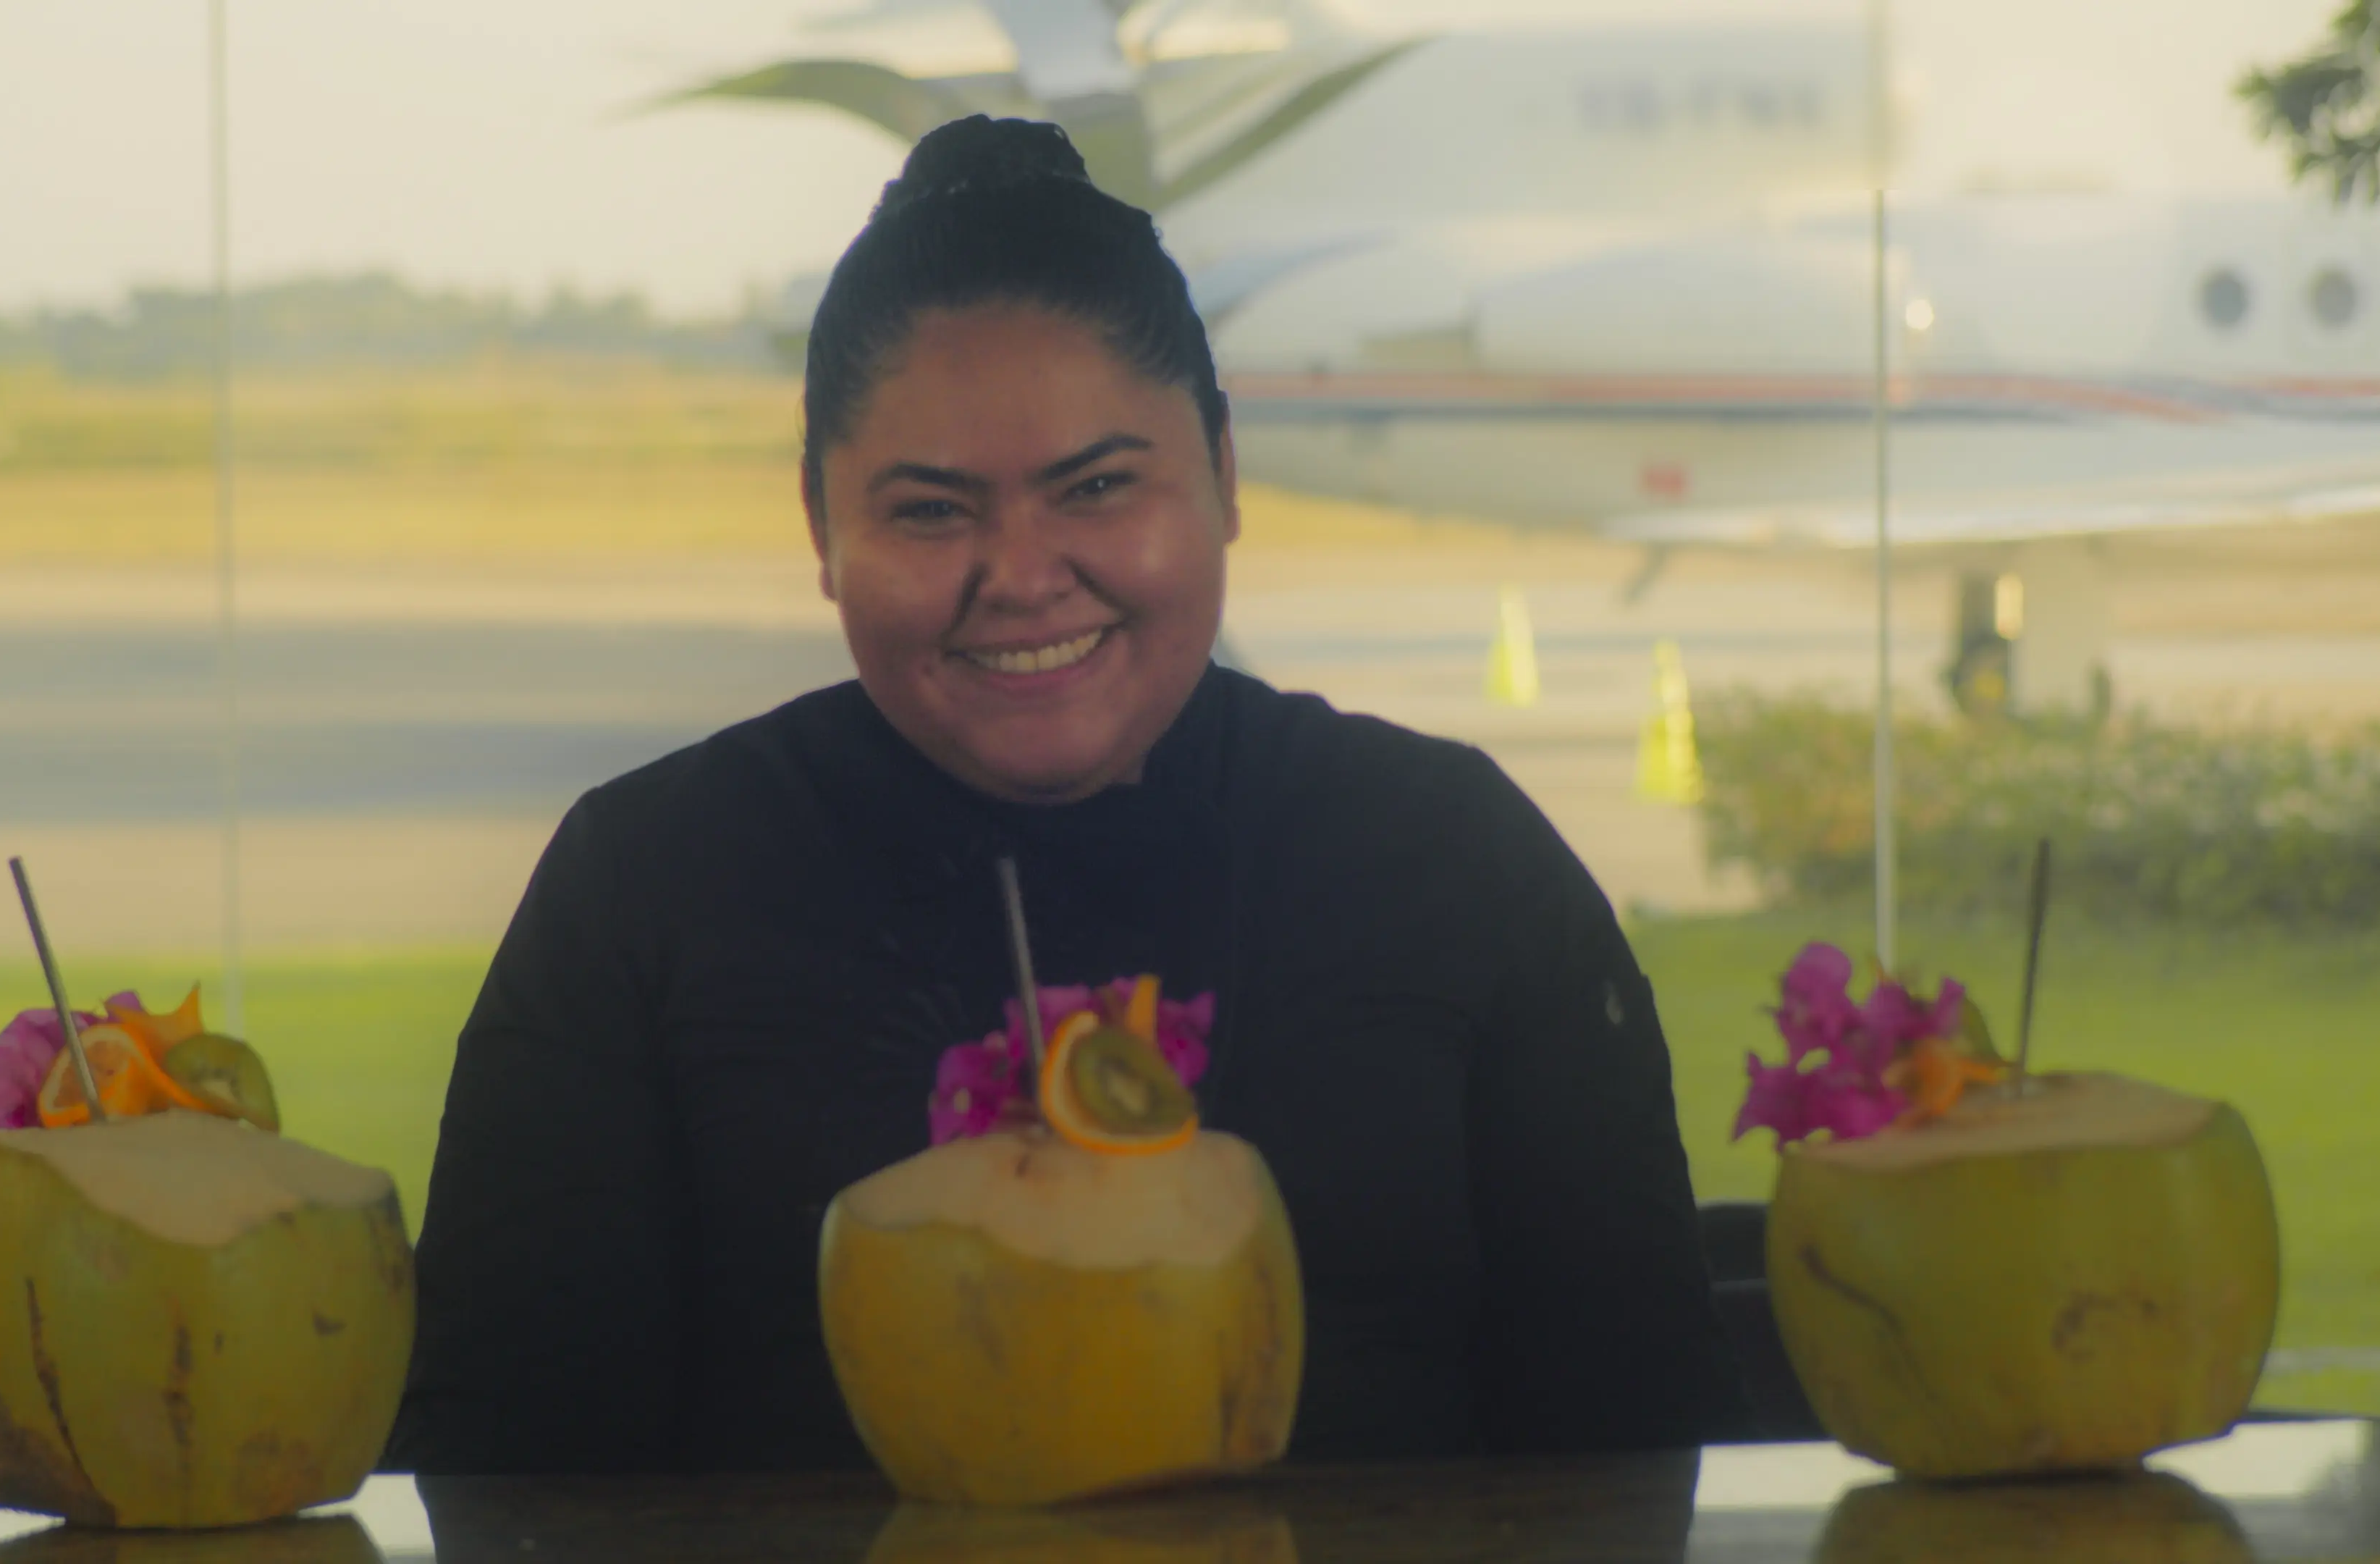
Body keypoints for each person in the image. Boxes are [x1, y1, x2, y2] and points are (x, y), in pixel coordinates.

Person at [388, 115, 1744, 1476]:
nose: (1024, 575)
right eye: (929, 512)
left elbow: (1635, 1443)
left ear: (1221, 473)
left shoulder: (1453, 859)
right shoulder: (650, 883)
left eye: (1097, 487)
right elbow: (511, 1478)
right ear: (821, 529)